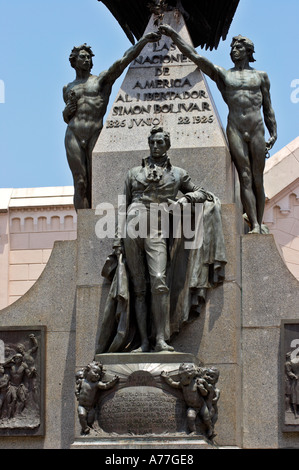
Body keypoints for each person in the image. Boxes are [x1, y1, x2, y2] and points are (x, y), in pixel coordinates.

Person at [97, 127, 226, 354]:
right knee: (138, 288)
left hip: (157, 227)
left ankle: (160, 339)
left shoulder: (177, 174)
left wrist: (184, 200)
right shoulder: (133, 173)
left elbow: (201, 193)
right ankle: (144, 342)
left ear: (167, 146)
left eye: (160, 143)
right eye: (153, 143)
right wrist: (117, 239)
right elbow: (122, 206)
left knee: (159, 280)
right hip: (132, 227)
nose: (156, 147)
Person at [159, 25, 277, 234]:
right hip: (236, 129)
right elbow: (195, 56)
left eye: (237, 48)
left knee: (258, 178)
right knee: (245, 176)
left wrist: (273, 133)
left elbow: (267, 107)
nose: (233, 51)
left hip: (257, 127)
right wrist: (173, 35)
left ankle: (259, 220)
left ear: (248, 51)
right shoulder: (224, 74)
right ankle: (255, 225)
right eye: (232, 48)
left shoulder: (261, 76)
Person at [63, 31, 161, 210]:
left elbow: (122, 62)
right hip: (73, 134)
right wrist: (66, 111)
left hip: (94, 132)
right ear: (74, 61)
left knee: (94, 180)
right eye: (82, 57)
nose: (86, 60)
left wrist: (143, 41)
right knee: (80, 182)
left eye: (88, 58)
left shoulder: (101, 80)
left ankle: (92, 219)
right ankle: (83, 227)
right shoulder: (68, 87)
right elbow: (67, 116)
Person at [161, 363, 214, 438]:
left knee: (206, 418)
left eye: (187, 377)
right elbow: (173, 383)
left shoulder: (196, 382)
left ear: (191, 376)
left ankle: (210, 428)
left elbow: (205, 394)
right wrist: (166, 378)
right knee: (190, 417)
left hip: (201, 404)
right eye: (182, 377)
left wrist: (202, 388)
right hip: (192, 407)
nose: (184, 379)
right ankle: (194, 431)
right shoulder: (182, 385)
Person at [76, 361, 119, 435]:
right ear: (88, 371)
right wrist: (77, 395)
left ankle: (89, 428)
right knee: (82, 415)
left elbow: (106, 386)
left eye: (99, 374)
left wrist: (113, 381)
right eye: (95, 372)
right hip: (82, 405)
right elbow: (77, 390)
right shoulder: (82, 382)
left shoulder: (96, 384)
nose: (97, 375)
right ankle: (85, 429)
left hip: (91, 407)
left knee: (90, 420)